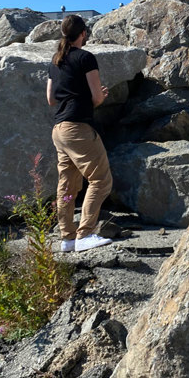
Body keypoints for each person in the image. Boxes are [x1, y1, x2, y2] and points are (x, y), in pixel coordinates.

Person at [46, 14, 114, 253]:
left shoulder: (56, 61)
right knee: (101, 180)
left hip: (59, 131)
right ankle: (85, 234)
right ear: (83, 33)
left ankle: (67, 239)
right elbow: (96, 97)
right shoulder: (86, 58)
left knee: (67, 186)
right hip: (78, 128)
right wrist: (100, 98)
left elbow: (51, 99)